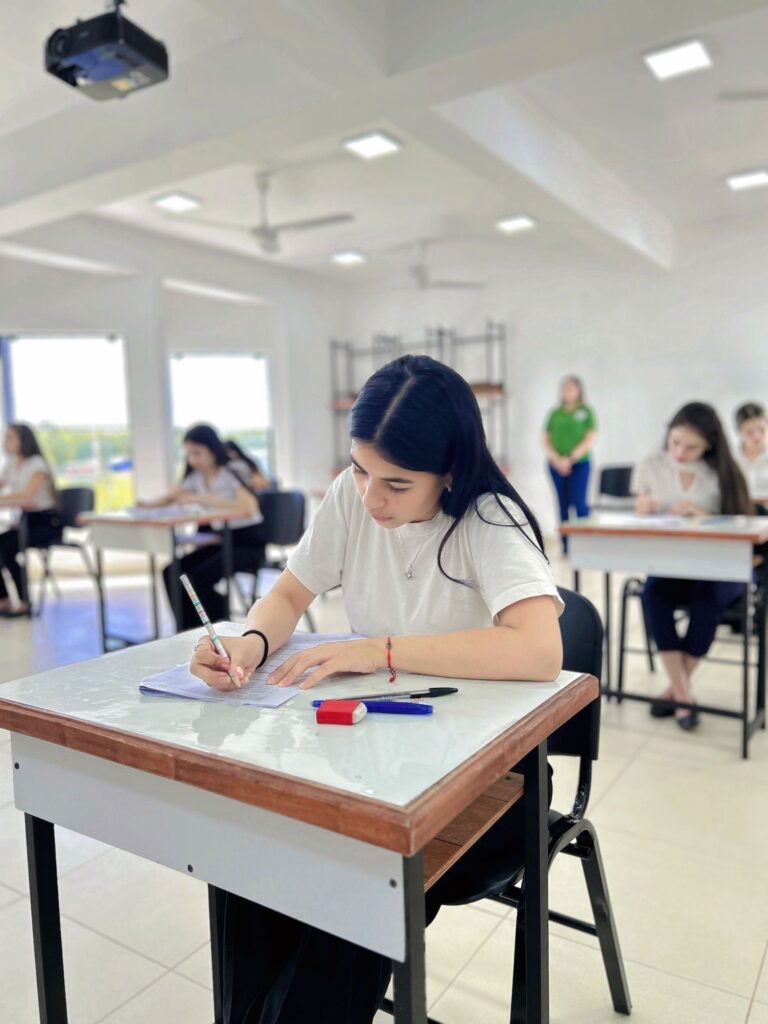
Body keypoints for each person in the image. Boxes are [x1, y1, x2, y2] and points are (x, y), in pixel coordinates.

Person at [190, 354, 563, 1024]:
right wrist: (250, 642)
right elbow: (289, 594)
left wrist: (380, 649)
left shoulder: (489, 518)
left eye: (396, 483)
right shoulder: (353, 495)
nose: (370, 497)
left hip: (489, 782)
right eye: (359, 469)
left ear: (450, 473)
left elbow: (539, 649)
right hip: (373, 760)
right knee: (252, 854)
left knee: (355, 885)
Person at [632, 402, 753, 730]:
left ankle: (676, 692)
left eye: (691, 447)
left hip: (721, 568)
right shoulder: (652, 465)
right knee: (653, 592)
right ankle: (684, 694)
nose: (680, 452)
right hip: (672, 563)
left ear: (710, 445)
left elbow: (744, 525)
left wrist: (702, 515)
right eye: (675, 442)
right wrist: (642, 507)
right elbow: (639, 510)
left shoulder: (724, 474)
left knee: (706, 597)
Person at [140, 424, 265, 631]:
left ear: (212, 450)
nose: (193, 460)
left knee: (198, 578)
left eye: (197, 453)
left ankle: (219, 626)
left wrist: (202, 498)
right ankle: (187, 631)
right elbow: (173, 496)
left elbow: (249, 507)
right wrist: (147, 506)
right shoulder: (196, 478)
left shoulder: (230, 472)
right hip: (220, 542)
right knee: (172, 572)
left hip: (246, 544)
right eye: (189, 454)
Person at [0, 423, 61, 617]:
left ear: (23, 440)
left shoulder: (37, 465)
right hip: (25, 522)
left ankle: (25, 602)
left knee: (6, 548)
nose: (5, 441)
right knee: (3, 546)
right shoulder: (11, 464)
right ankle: (4, 600)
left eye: (10, 437)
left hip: (45, 524)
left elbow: (26, 496)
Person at [543, 375, 597, 552]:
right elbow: (546, 438)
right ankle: (566, 547)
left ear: (579, 391)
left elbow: (589, 438)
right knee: (563, 505)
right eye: (565, 388)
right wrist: (557, 459)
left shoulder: (586, 412)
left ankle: (586, 546)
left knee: (579, 504)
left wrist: (570, 459)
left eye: (572, 388)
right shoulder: (555, 414)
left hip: (579, 464)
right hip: (556, 465)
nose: (568, 391)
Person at [734, 401, 768, 502]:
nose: (757, 436)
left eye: (761, 430)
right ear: (739, 431)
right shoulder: (730, 457)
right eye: (749, 432)